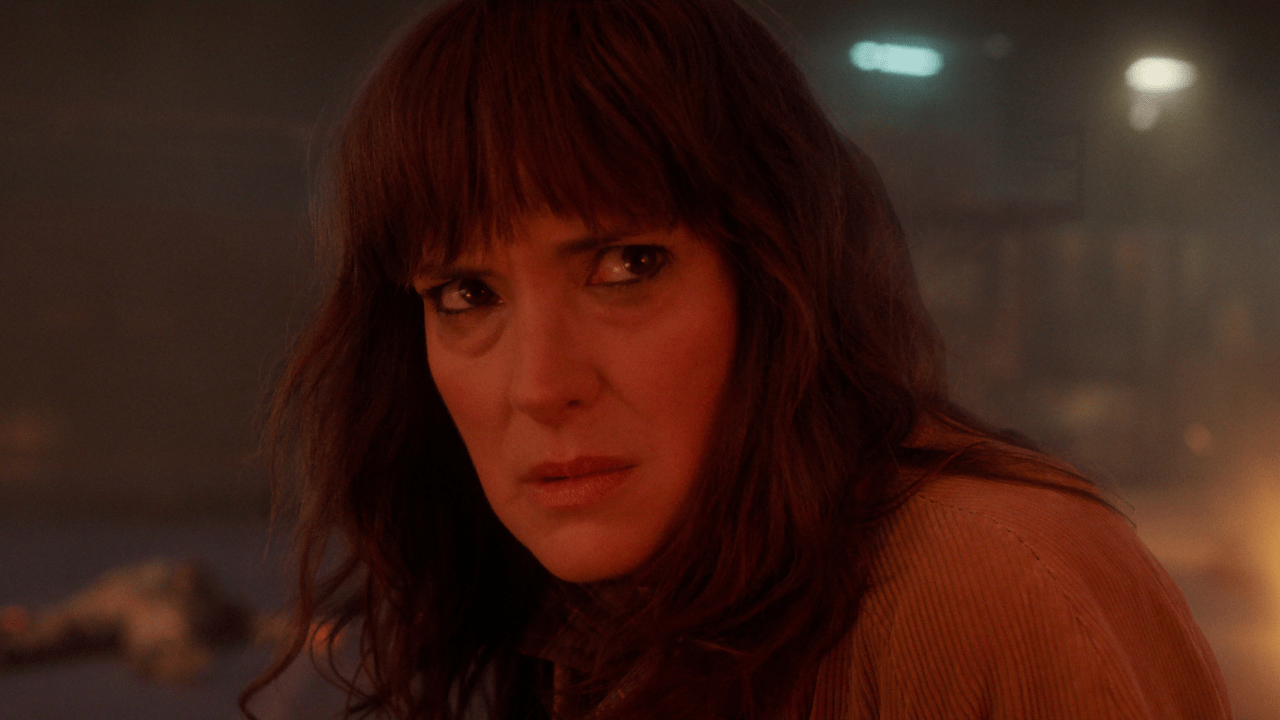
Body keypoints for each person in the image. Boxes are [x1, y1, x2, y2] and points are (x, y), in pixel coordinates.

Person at [242, 0, 1232, 718]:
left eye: (627, 265)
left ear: (771, 277)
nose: (540, 386)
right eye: (466, 294)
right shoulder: (599, 616)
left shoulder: (978, 584)